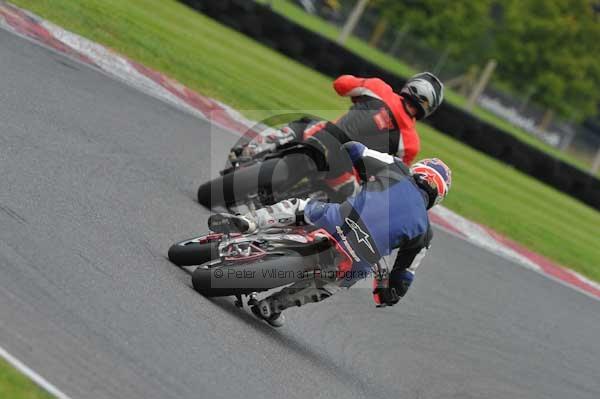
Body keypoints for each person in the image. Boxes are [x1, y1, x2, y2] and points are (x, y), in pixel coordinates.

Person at [209, 142, 452, 327]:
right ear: (436, 198)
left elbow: (355, 150)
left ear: (418, 170)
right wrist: (389, 295)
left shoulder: (396, 168)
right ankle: (272, 305)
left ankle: (249, 222)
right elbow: (403, 278)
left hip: (334, 220)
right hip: (357, 259)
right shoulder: (425, 233)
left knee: (298, 207)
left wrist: (365, 175)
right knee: (330, 284)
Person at [245, 72, 444, 197]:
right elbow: (389, 179)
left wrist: (358, 93)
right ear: (430, 108)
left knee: (304, 124)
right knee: (333, 208)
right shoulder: (411, 143)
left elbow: (341, 84)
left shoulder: (378, 88)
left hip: (323, 138)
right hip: (345, 177)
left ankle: (254, 149)